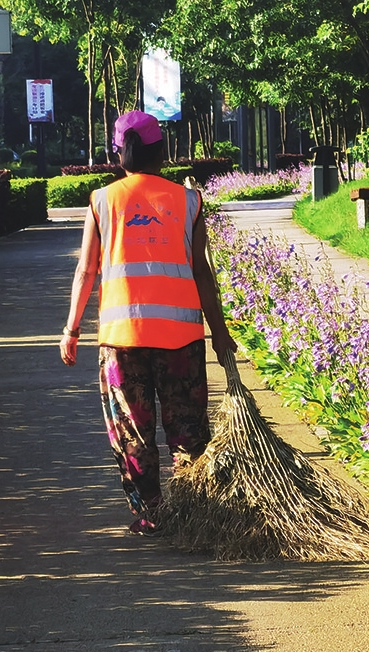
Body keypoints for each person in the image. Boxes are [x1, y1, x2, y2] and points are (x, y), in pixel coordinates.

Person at [59, 110, 236, 536]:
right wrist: (220, 332)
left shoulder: (102, 201)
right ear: (161, 151)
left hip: (123, 341)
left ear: (120, 154)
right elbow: (202, 273)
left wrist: (72, 328)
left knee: (132, 432)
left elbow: (86, 271)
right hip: (182, 338)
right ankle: (194, 509)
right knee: (188, 430)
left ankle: (153, 514)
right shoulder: (189, 201)